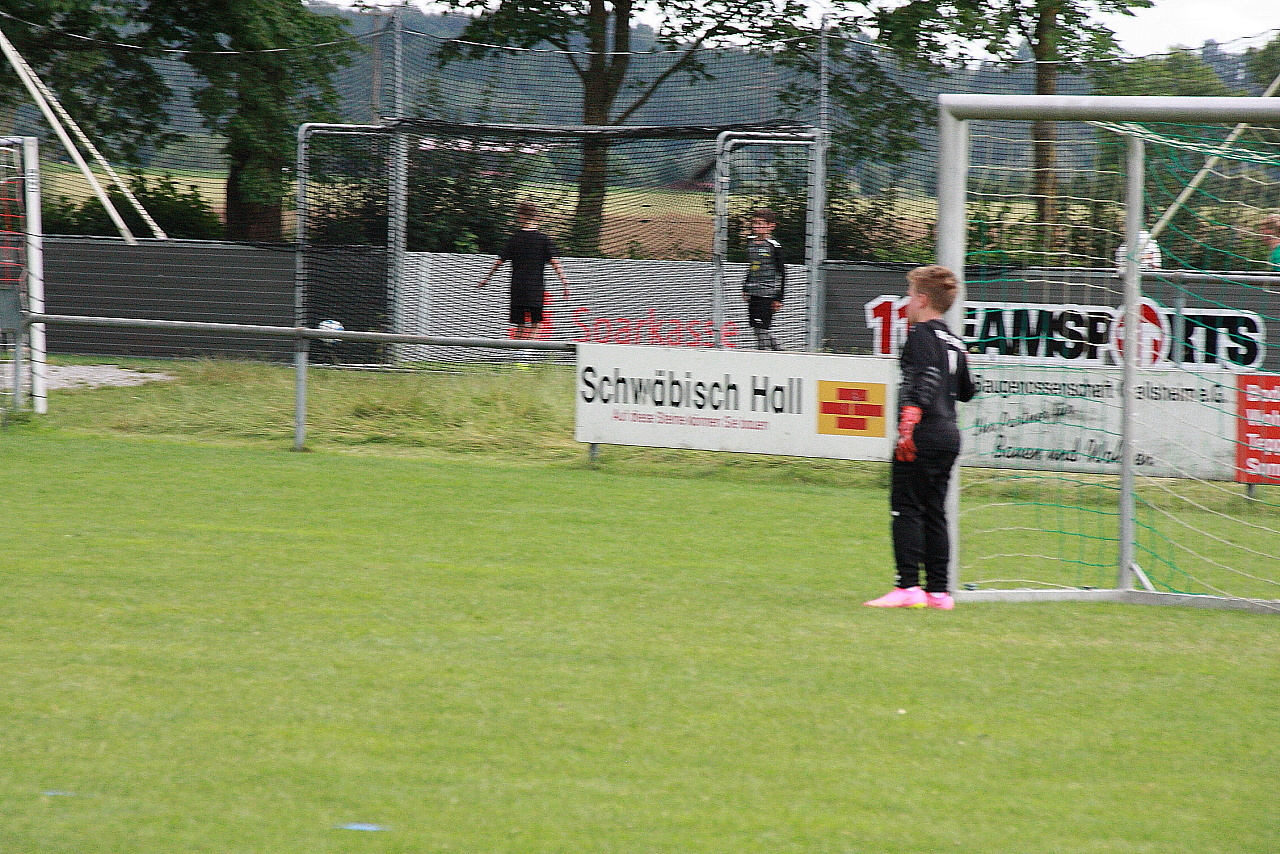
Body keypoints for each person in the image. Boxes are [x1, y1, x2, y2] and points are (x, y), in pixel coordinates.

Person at [865, 264, 975, 611]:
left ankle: (908, 586)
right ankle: (939, 592)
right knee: (934, 511)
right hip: (949, 434)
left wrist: (908, 425)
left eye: (911, 294)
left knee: (906, 507)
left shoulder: (921, 334)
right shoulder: (954, 340)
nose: (907, 300)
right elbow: (967, 390)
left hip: (924, 431)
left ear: (924, 299)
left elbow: (925, 378)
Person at [477, 202, 570, 340]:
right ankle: (527, 349)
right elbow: (555, 262)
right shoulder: (543, 240)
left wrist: (487, 279)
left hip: (517, 287)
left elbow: (499, 262)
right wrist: (565, 282)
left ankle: (518, 350)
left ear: (520, 216)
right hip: (535, 287)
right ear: (536, 217)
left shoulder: (514, 239)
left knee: (520, 324)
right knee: (536, 323)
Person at [741, 208, 786, 351]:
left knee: (762, 327)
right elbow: (753, 267)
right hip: (753, 292)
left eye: (760, 224)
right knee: (756, 326)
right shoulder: (750, 243)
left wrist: (779, 298)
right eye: (754, 223)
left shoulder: (773, 246)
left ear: (770, 226)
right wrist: (745, 287)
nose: (756, 226)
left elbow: (782, 273)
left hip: (768, 293)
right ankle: (779, 351)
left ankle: (763, 353)